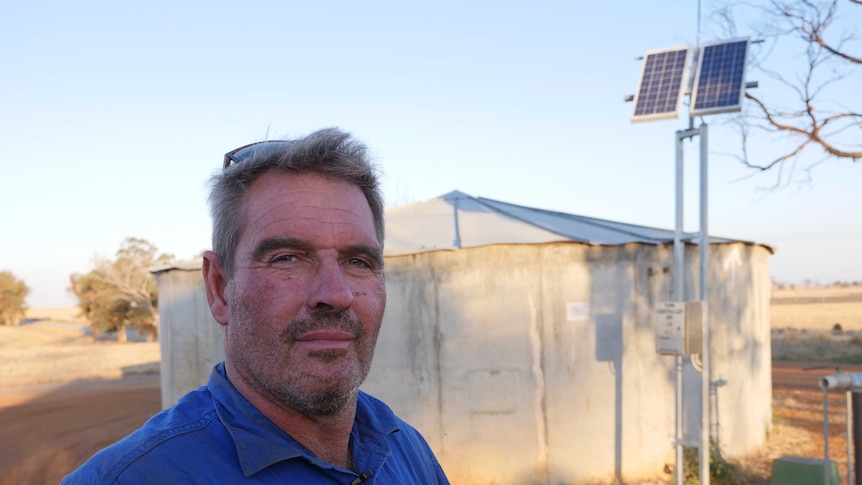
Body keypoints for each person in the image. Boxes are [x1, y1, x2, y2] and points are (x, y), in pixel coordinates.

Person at [62, 128, 450, 484]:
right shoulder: (131, 478)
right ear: (219, 288)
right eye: (287, 258)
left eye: (358, 262)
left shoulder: (407, 449)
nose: (335, 293)